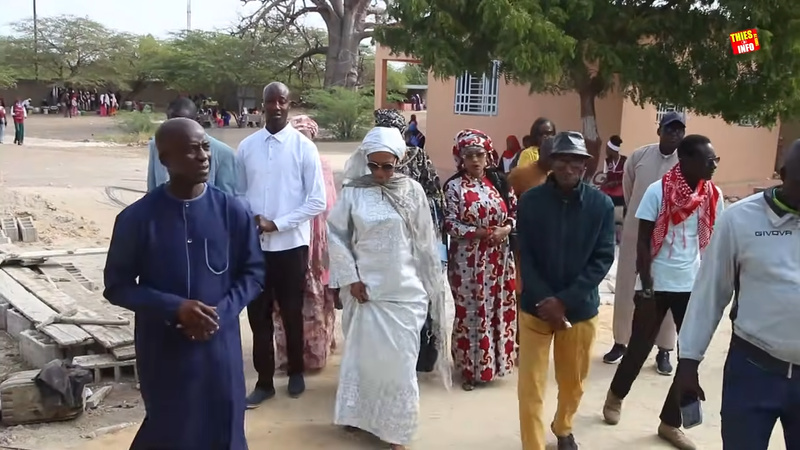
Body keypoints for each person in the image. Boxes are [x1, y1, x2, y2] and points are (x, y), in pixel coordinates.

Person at [102, 118, 265, 450]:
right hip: (164, 348)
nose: (203, 156)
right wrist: (174, 307)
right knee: (170, 428)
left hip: (220, 348)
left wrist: (221, 313)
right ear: (166, 159)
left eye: (205, 147)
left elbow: (253, 273)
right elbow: (117, 285)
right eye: (192, 150)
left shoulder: (233, 212)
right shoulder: (137, 219)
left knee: (225, 427)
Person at [328, 126, 452, 450]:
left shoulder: (412, 191)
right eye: (374, 165)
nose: (380, 173)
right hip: (365, 293)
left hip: (405, 293)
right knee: (363, 360)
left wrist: (429, 283)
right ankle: (358, 415)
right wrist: (350, 278)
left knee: (400, 365)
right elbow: (337, 236)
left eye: (387, 166)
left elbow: (425, 242)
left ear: (399, 161)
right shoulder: (353, 191)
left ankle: (397, 429)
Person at [675, 141, 800, 450]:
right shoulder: (740, 219)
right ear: (784, 174)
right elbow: (710, 292)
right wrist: (688, 362)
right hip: (754, 369)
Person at [602, 135, 722, 450]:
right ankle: (615, 396)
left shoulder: (712, 195)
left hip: (690, 285)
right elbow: (643, 242)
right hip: (654, 284)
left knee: (690, 355)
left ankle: (670, 422)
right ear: (686, 161)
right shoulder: (658, 191)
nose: (714, 165)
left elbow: (714, 242)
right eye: (709, 160)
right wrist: (645, 284)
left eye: (715, 159)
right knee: (639, 348)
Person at [516, 131, 615, 450]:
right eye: (561, 159)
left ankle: (563, 426)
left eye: (576, 160)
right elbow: (525, 254)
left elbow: (603, 258)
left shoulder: (601, 205)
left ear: (585, 165)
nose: (568, 167)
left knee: (573, 383)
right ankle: (533, 445)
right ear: (551, 162)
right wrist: (546, 301)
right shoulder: (530, 201)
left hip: (580, 309)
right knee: (530, 386)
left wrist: (564, 301)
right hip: (535, 308)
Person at [237, 82, 327, 406]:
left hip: (291, 246)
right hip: (255, 248)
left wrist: (277, 224)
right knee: (258, 316)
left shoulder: (304, 148)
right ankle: (264, 382)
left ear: (289, 104)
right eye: (270, 101)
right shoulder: (247, 147)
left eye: (282, 101)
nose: (275, 107)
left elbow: (316, 200)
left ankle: (296, 372)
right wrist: (251, 218)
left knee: (291, 313)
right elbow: (238, 192)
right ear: (261, 105)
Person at [603, 112, 686, 372]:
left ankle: (664, 349)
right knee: (627, 286)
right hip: (636, 230)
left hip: (670, 234)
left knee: (667, 288)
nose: (674, 134)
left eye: (679, 130)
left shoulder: (687, 160)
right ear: (659, 130)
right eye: (669, 129)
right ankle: (621, 341)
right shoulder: (639, 157)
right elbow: (629, 191)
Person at [444, 129, 518, 391]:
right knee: (471, 312)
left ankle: (495, 366)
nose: (475, 160)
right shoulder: (453, 187)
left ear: (488, 155)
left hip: (499, 260)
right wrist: (482, 233)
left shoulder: (499, 181)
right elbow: (449, 223)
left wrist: (505, 229)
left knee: (498, 308)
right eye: (469, 155)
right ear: (460, 158)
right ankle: (468, 370)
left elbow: (515, 212)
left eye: (479, 154)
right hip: (467, 262)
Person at [272, 114, 338, 372]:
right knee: (286, 299)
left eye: (306, 137)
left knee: (317, 298)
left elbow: (329, 205)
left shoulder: (322, 164)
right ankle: (288, 355)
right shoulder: (279, 163)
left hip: (317, 242)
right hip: (287, 238)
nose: (301, 141)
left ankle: (316, 354)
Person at [147, 97, 237, 195]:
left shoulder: (224, 154)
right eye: (172, 123)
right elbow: (152, 186)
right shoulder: (158, 145)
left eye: (184, 124)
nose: (177, 130)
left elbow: (227, 196)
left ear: (196, 121)